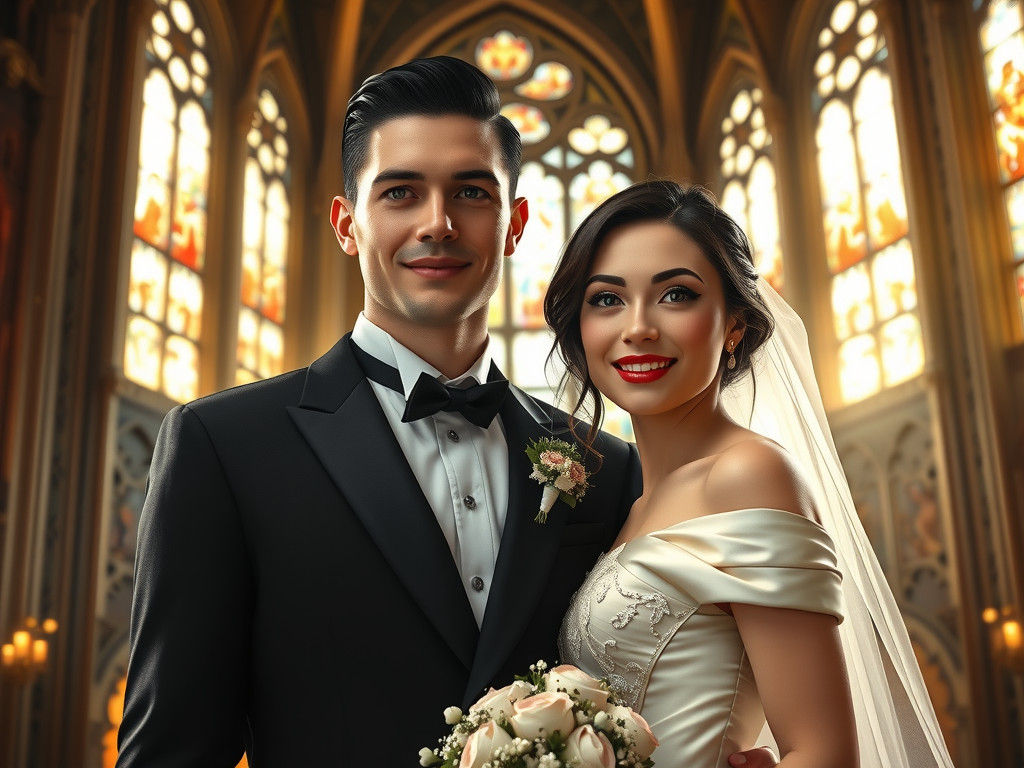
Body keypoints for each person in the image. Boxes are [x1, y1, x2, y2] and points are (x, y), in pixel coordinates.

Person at [116, 58, 780, 766]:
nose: (438, 223)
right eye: (401, 192)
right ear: (347, 224)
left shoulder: (607, 467)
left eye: (471, 192)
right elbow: (171, 752)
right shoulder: (225, 446)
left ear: (515, 224)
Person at [549, 181, 955, 767]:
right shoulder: (634, 503)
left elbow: (823, 753)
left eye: (677, 295)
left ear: (735, 324)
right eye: (607, 299)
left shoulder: (747, 474)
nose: (636, 327)